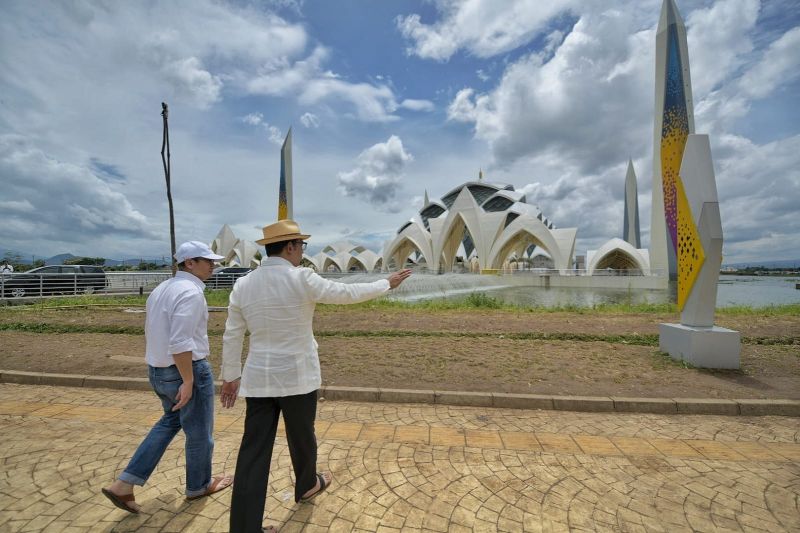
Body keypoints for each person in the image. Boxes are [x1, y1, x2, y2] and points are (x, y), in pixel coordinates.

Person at [221, 220, 411, 533]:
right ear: (291, 246)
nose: (301, 253)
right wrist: (386, 284)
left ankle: (244, 528)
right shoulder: (302, 278)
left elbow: (232, 334)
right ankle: (307, 484)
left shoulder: (244, 284)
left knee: (253, 451)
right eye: (301, 246)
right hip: (297, 376)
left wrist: (230, 376)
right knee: (302, 436)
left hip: (260, 379)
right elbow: (346, 292)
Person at [101, 241, 233, 513]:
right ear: (189, 263)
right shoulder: (191, 292)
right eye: (206, 260)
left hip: (159, 370)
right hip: (186, 369)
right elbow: (181, 342)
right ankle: (198, 486)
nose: (213, 265)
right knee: (200, 434)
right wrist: (188, 380)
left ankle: (124, 484)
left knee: (170, 422)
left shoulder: (162, 289)